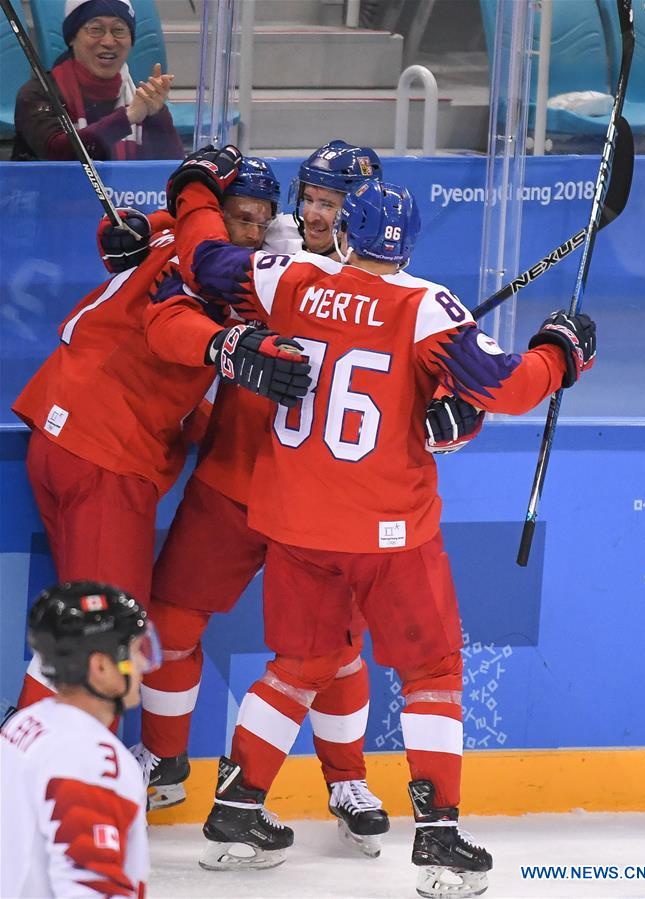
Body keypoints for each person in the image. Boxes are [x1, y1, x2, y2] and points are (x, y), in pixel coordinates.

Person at [165, 174, 597, 893]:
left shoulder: (287, 278)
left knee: (297, 663)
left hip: (296, 520)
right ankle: (437, 840)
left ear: (344, 230)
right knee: (430, 671)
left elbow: (204, 262)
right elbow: (513, 387)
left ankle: (236, 814)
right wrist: (561, 351)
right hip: (389, 531)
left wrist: (196, 195)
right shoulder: (428, 307)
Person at [127, 142, 395, 860]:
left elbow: (441, 368)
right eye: (307, 196)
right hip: (233, 478)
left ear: (362, 211)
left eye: (331, 202)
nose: (313, 213)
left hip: (320, 505)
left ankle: (346, 780)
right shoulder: (267, 265)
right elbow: (197, 259)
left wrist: (456, 415)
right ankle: (163, 762)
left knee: (332, 650)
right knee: (170, 622)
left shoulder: (393, 290)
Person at [11, 148, 310, 710]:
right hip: (106, 455)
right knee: (105, 637)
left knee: (86, 622)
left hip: (63, 432)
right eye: (238, 216)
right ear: (215, 213)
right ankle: (32, 775)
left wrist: (126, 227)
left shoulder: (175, 234)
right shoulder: (213, 269)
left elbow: (127, 230)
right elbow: (168, 329)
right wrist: (227, 345)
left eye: (259, 219)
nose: (250, 232)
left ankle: (37, 766)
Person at [0, 580, 161, 899]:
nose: (143, 665)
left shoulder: (24, 726)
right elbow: (90, 887)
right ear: (99, 666)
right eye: (132, 652)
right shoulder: (92, 757)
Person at [12, 0, 184, 161]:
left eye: (118, 30)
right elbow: (56, 152)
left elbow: (171, 171)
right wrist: (127, 117)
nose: (109, 42)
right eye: (95, 29)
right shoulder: (38, 93)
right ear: (72, 38)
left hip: (125, 194)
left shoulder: (140, 100)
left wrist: (158, 115)